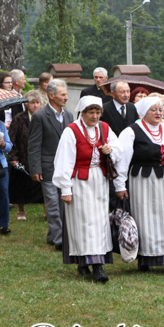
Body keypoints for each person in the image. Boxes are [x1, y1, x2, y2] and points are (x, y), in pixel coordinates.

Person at [113, 97, 164, 274]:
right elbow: (123, 161)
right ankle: (145, 258)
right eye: (153, 110)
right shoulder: (131, 131)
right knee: (146, 217)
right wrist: (120, 185)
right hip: (143, 181)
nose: (158, 113)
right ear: (143, 113)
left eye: (160, 109)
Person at [52, 96, 117, 283]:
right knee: (83, 222)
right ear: (83, 112)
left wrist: (110, 149)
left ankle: (93, 262)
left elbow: (119, 147)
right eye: (91, 112)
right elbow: (63, 160)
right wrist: (65, 188)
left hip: (99, 180)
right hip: (79, 182)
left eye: (98, 112)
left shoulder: (104, 128)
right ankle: (92, 265)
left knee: (99, 221)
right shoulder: (71, 131)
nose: (95, 116)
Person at [29, 79, 74, 250]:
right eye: (63, 95)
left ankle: (52, 235)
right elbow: (34, 145)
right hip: (47, 168)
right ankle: (59, 240)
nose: (66, 98)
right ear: (52, 95)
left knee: (63, 204)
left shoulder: (69, 115)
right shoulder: (40, 116)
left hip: (66, 169)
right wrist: (35, 168)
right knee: (53, 205)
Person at [8, 90, 45, 221]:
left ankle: (47, 211)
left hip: (40, 157)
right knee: (20, 185)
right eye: (32, 103)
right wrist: (13, 158)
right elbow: (11, 139)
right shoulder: (19, 118)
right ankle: (21, 210)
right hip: (22, 156)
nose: (35, 105)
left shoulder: (44, 117)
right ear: (26, 104)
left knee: (43, 186)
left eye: (37, 102)